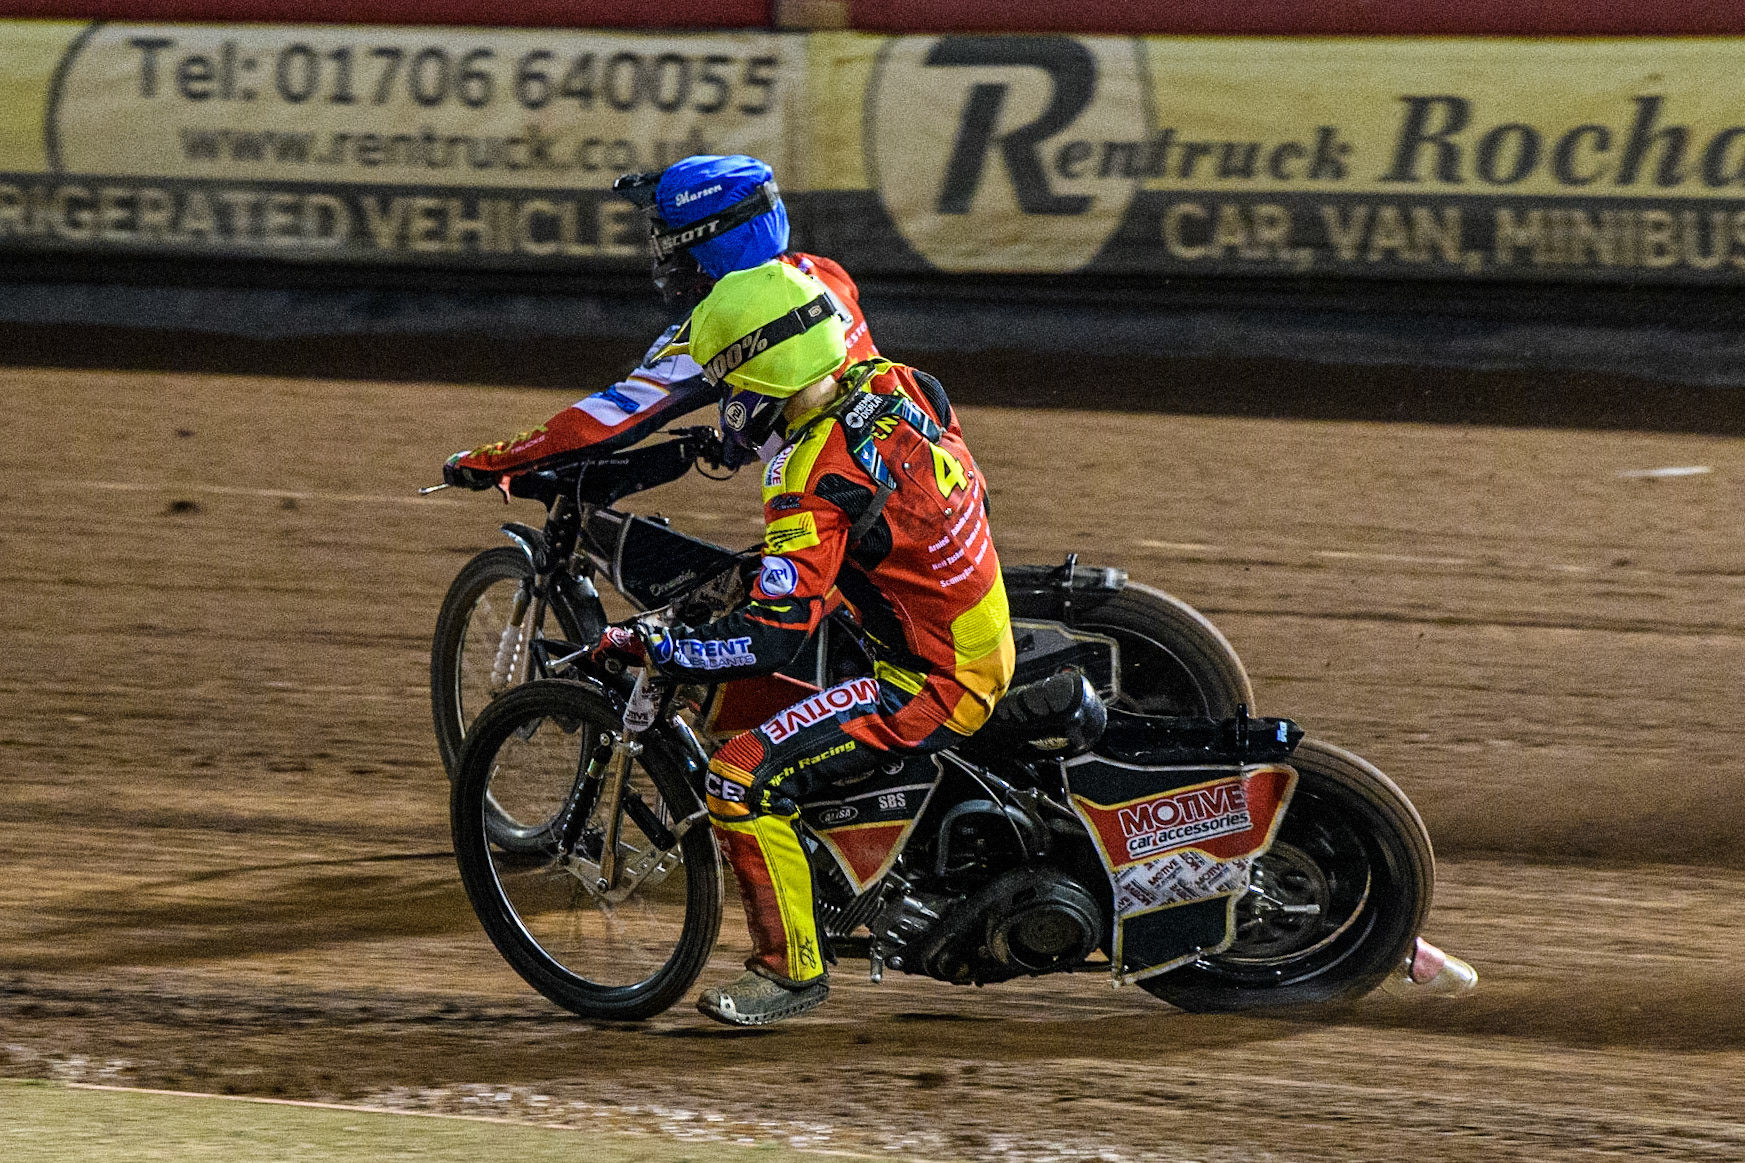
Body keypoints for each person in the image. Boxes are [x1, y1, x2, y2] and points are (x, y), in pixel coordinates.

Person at [589, 260, 1015, 1025]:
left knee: (737, 775)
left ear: (763, 377)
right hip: (966, 611)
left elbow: (773, 638)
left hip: (929, 677)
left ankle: (792, 971)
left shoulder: (806, 477)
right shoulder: (900, 382)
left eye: (728, 385)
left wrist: (664, 646)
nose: (727, 404)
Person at [444, 155, 878, 482]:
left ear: (712, 239)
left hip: (839, 501)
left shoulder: (716, 329)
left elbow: (607, 419)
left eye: (669, 241)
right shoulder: (823, 273)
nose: (665, 256)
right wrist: (738, 440)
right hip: (922, 465)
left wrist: (496, 459)